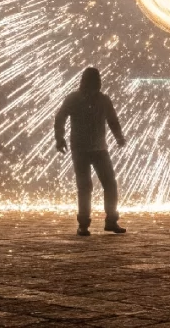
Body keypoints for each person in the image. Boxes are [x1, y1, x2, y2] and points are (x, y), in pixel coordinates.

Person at [54, 67, 126, 236]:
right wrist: (59, 138)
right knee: (93, 185)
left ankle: (94, 223)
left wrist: (60, 138)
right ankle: (94, 222)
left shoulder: (90, 99)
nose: (97, 84)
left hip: (92, 148)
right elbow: (60, 117)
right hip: (86, 149)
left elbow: (112, 120)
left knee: (96, 185)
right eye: (95, 81)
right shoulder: (85, 99)